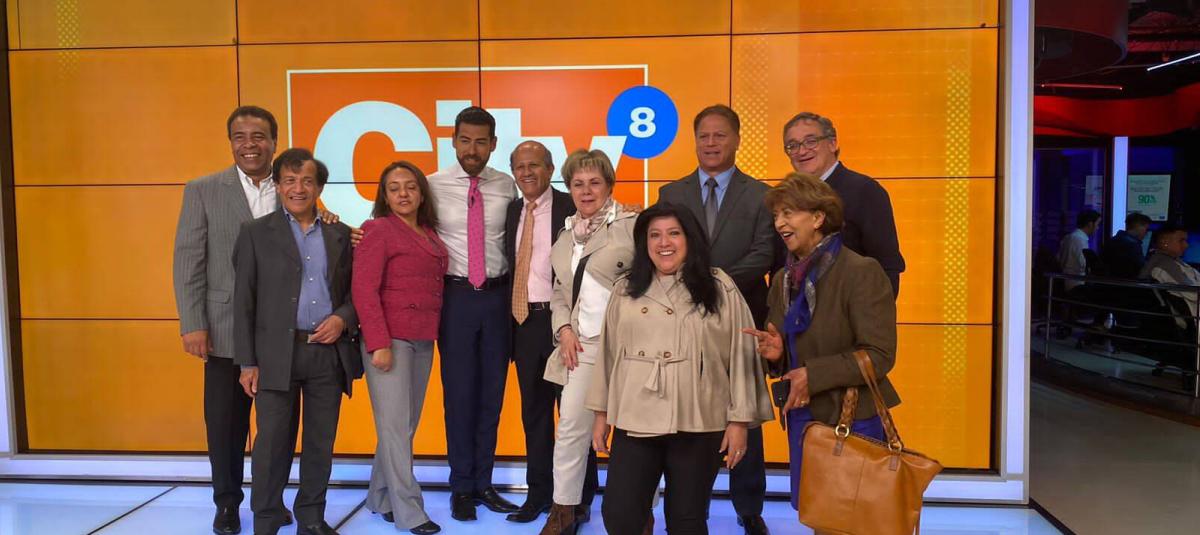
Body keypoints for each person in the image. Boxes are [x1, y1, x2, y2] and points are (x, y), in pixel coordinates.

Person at [589, 203, 774, 535]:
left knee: (686, 520)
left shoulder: (719, 286)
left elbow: (741, 355)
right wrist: (601, 413)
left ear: (690, 239)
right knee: (620, 513)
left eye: (674, 233)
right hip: (636, 415)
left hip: (700, 417)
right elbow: (608, 354)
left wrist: (739, 421)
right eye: (655, 235)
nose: (664, 243)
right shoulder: (626, 288)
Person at [173, 105, 303, 534]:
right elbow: (188, 261)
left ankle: (271, 501)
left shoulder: (292, 187)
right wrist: (193, 322)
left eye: (259, 136)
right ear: (230, 142)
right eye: (240, 137)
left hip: (281, 331)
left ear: (274, 142)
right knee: (226, 425)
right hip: (225, 329)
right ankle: (227, 504)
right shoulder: (203, 190)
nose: (250, 145)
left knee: (278, 426)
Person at [743, 173, 899, 509]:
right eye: (776, 215)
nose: (779, 223)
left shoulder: (860, 272)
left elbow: (879, 354)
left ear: (818, 218)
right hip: (803, 417)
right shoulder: (783, 279)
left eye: (789, 213)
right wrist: (777, 356)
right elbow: (791, 351)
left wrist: (813, 375)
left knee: (851, 516)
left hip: (851, 418)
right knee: (816, 512)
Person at [657, 104, 776, 534]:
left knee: (745, 411)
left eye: (720, 135)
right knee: (691, 414)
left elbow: (765, 252)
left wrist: (712, 283)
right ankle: (691, 508)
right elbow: (661, 249)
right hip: (683, 322)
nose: (711, 143)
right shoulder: (672, 192)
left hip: (743, 317)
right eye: (703, 136)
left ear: (737, 139)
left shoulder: (761, 194)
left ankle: (750, 508)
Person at [232, 148, 363, 535]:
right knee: (272, 442)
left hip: (327, 353)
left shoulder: (340, 233)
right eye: (289, 180)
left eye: (307, 181)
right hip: (275, 355)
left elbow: (357, 293)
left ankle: (311, 517)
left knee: (321, 441)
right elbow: (244, 301)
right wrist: (247, 362)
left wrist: (343, 318)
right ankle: (267, 516)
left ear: (319, 187)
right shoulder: (255, 233)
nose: (298, 188)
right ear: (277, 185)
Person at [427, 106, 520, 520]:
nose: (472, 149)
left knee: (492, 397)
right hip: (456, 299)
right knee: (460, 396)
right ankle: (461, 487)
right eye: (465, 140)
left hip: (498, 299)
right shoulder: (431, 185)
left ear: (493, 144)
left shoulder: (507, 186)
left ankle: (484, 483)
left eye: (481, 142)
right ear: (453, 140)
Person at [503, 141, 601, 524]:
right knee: (535, 414)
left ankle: (578, 498)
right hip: (526, 323)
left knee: (574, 415)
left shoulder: (571, 205)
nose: (527, 173)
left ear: (549, 168)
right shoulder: (512, 210)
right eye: (520, 166)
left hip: (567, 325)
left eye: (535, 165)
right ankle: (539, 494)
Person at [539, 149, 635, 534]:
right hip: (581, 347)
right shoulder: (565, 237)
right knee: (570, 432)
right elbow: (559, 293)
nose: (586, 190)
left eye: (595, 182)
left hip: (629, 349)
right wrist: (563, 329)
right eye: (578, 184)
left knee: (634, 436)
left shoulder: (632, 224)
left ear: (609, 185)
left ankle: (639, 514)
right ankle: (563, 511)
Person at [352, 161, 447, 535]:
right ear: (385, 196)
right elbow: (364, 289)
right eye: (394, 188)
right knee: (394, 428)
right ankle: (411, 512)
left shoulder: (429, 232)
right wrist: (378, 343)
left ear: (421, 193)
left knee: (402, 427)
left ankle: (380, 498)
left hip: (423, 337)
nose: (403, 194)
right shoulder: (377, 230)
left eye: (410, 186)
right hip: (390, 340)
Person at [782, 112, 905, 296]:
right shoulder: (785, 198)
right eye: (792, 146)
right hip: (795, 309)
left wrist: (871, 311)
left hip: (851, 306)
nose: (801, 151)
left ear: (832, 143)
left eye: (811, 141)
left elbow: (887, 266)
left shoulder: (865, 191)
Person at [1140, 223, 1200, 319]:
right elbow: (1193, 294)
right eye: (1181, 240)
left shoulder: (1173, 259)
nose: (1186, 245)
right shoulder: (1164, 265)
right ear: (1165, 242)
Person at [1058, 210, 1101, 291]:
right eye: (1097, 224)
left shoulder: (1069, 237)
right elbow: (1083, 264)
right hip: (1076, 283)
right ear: (1090, 224)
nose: (1097, 228)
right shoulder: (1080, 239)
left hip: (1067, 280)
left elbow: (1059, 258)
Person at [1102, 212, 1151, 279]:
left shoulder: (1113, 239)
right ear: (1138, 226)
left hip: (1109, 281)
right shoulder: (1132, 245)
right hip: (1127, 283)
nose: (1146, 233)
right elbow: (1143, 268)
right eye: (1146, 229)